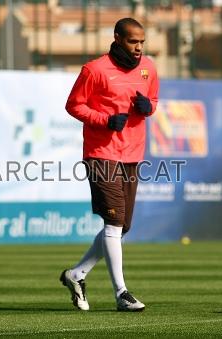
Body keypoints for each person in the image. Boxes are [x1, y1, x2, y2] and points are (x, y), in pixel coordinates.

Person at [61, 18, 159, 312]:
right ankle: (122, 293)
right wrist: (104, 120)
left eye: (142, 42)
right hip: (101, 153)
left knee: (121, 226)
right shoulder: (94, 69)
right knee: (114, 223)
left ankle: (76, 275)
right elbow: (74, 105)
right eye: (132, 41)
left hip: (132, 154)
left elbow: (153, 99)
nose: (138, 47)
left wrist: (149, 107)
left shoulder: (149, 68)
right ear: (117, 38)